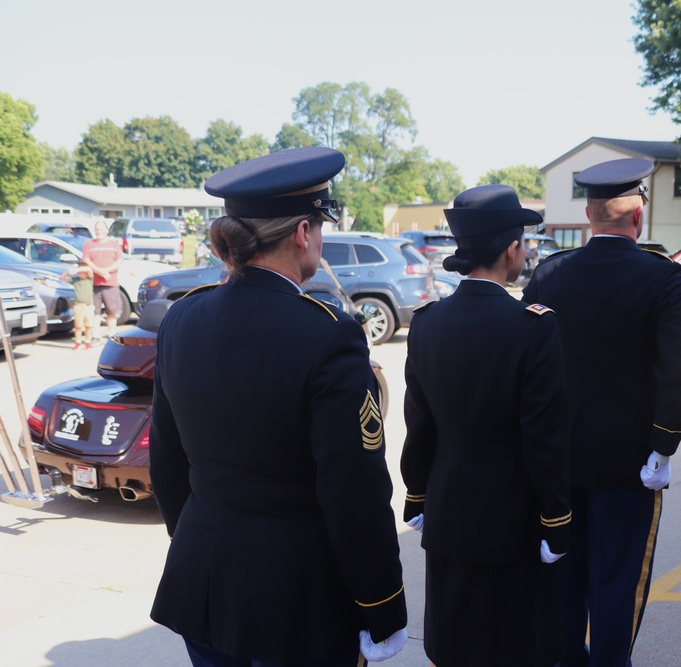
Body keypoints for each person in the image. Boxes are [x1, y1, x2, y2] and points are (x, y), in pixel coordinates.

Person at [149, 147, 407, 667]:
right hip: (294, 605)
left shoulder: (183, 317)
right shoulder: (328, 334)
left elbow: (167, 459)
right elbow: (353, 492)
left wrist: (199, 541)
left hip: (203, 581)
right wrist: (382, 604)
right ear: (302, 234)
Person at [522, 157, 681, 666]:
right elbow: (677, 373)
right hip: (629, 465)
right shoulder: (662, 277)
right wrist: (663, 448)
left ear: (589, 214)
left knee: (563, 578)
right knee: (617, 583)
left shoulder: (549, 274)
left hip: (560, 462)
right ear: (637, 218)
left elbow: (526, 370)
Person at [400, 184, 572, 667]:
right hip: (512, 524)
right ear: (512, 250)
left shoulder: (428, 322)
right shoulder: (533, 327)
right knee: (515, 648)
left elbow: (420, 423)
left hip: (450, 519)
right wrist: (556, 520)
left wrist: (417, 493)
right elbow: (544, 438)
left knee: (454, 648)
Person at [82, 219, 124, 340]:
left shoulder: (114, 244)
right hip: (94, 284)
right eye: (97, 229)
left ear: (107, 230)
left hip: (110, 283)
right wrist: (100, 271)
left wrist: (106, 271)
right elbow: (86, 260)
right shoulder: (89, 244)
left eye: (101, 229)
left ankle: (112, 334)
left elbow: (119, 260)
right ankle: (95, 336)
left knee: (111, 311)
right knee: (95, 312)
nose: (99, 231)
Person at [60, 259, 94, 350]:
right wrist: (68, 272)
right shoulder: (75, 280)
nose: (81, 274)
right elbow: (62, 278)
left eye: (83, 272)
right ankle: (78, 342)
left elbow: (90, 270)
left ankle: (88, 341)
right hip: (78, 305)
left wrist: (79, 269)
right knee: (78, 325)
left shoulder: (89, 279)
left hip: (88, 305)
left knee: (89, 325)